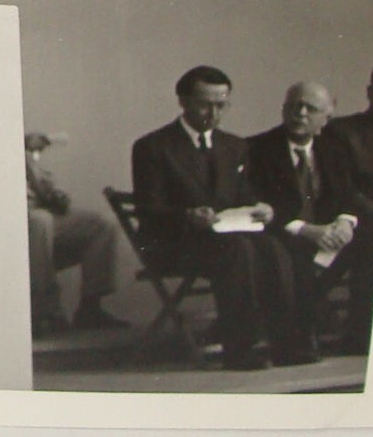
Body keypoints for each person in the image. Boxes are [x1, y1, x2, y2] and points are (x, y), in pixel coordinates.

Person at [131, 65, 312, 369]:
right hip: (175, 244)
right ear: (183, 101)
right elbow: (149, 210)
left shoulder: (234, 146)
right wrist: (188, 216)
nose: (212, 113)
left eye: (221, 105)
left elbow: (242, 196)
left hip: (225, 240)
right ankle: (240, 349)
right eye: (204, 104)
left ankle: (286, 344)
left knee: (274, 246)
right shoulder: (153, 147)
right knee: (239, 251)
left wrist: (260, 207)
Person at [247, 81, 358, 360]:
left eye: (311, 108)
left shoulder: (334, 149)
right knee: (291, 253)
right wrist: (306, 230)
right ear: (284, 110)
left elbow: (346, 194)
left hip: (326, 236)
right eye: (295, 106)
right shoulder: (257, 148)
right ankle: (296, 339)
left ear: (326, 118)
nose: (301, 113)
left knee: (372, 243)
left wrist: (344, 223)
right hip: (282, 232)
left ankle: (359, 335)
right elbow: (256, 200)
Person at [320, 59, 373, 354]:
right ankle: (362, 334)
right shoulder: (343, 131)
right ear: (369, 91)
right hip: (359, 219)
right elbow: (344, 189)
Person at [24, 132, 128, 338]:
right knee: (40, 222)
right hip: (3, 218)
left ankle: (90, 308)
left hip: (37, 209)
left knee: (101, 224)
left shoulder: (21, 146)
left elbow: (40, 180)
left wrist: (54, 193)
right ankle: (44, 312)